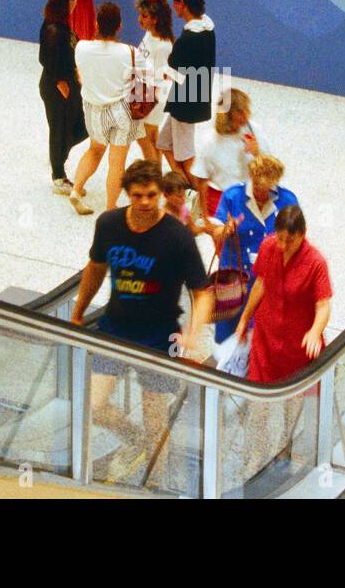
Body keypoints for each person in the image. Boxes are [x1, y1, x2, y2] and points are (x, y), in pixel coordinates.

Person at [70, 159, 212, 483]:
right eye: (137, 196)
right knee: (93, 405)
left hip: (160, 337)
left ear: (160, 193)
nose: (145, 202)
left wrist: (193, 334)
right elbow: (95, 268)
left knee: (156, 421)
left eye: (151, 195)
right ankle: (136, 438)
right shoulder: (108, 224)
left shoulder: (177, 237)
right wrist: (78, 313)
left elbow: (203, 292)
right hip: (115, 327)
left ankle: (156, 482)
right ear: (127, 194)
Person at [204, 154, 299, 344]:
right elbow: (214, 229)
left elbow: (296, 238)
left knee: (262, 332)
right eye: (257, 186)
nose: (261, 194)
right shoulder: (232, 195)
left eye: (267, 188)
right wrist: (226, 229)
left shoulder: (288, 200)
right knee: (230, 330)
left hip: (269, 277)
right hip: (235, 277)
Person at [233, 205, 332, 383]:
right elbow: (260, 283)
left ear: (303, 233)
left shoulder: (316, 263)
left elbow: (323, 305)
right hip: (265, 339)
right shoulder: (268, 247)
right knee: (259, 395)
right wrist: (244, 319)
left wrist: (315, 332)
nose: (284, 245)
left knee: (295, 401)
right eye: (280, 238)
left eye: (291, 240)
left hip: (297, 346)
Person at [70, 2, 142, 214]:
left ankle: (76, 189)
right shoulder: (129, 52)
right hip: (121, 111)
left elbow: (80, 74)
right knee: (116, 162)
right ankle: (111, 207)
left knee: (94, 150)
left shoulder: (82, 47)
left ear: (96, 23)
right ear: (119, 26)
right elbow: (144, 79)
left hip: (93, 109)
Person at [159, 0, 217, 190]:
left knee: (185, 155)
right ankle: (186, 188)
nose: (174, 6)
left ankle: (202, 197)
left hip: (184, 102)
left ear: (182, 4)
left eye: (175, 1)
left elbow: (173, 63)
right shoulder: (208, 29)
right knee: (163, 143)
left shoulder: (187, 39)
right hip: (197, 95)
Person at [190, 88, 268, 221]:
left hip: (250, 195)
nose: (246, 115)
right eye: (241, 112)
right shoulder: (210, 141)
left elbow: (271, 168)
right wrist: (207, 220)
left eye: (246, 110)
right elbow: (202, 181)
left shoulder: (253, 130)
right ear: (228, 115)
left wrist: (257, 154)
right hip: (220, 198)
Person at [38, 0, 88, 195]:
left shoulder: (62, 25)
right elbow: (46, 59)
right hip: (57, 87)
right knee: (59, 129)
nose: (76, 2)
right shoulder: (52, 29)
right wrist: (61, 82)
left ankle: (58, 155)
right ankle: (58, 174)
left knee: (82, 126)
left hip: (70, 83)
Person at [134, 0, 175, 164]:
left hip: (155, 95)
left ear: (155, 19)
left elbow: (163, 76)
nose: (139, 19)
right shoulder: (149, 34)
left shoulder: (163, 45)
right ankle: (156, 173)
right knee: (151, 135)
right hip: (143, 90)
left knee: (142, 133)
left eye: (144, 16)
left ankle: (154, 174)